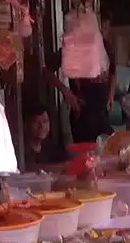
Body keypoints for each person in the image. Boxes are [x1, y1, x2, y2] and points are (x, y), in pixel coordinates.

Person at [47, 16, 115, 156]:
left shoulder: (105, 47)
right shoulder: (73, 48)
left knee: (108, 152)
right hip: (82, 113)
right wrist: (66, 92)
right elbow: (46, 71)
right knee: (86, 157)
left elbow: (113, 72)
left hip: (102, 111)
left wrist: (112, 94)